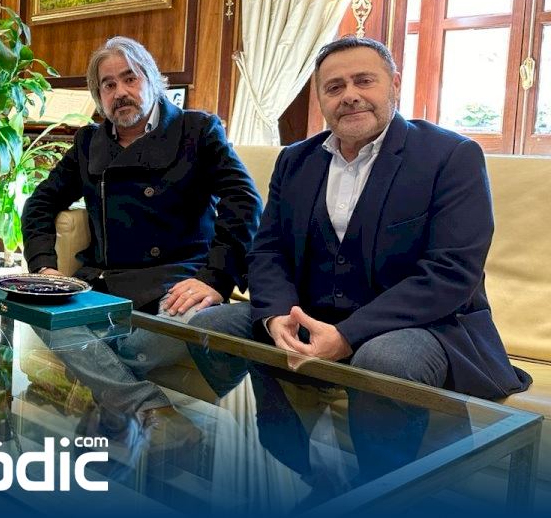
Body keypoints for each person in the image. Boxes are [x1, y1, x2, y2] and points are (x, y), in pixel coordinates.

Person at [189, 35, 532, 479]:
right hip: (311, 313)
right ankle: (293, 466)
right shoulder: (295, 160)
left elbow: (451, 272)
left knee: (384, 361)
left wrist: (347, 335)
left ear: (394, 84)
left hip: (420, 326)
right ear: (321, 99)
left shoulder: (452, 156)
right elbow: (268, 250)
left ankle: (385, 490)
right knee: (211, 326)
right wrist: (276, 317)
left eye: (364, 81)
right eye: (334, 87)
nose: (349, 95)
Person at [21, 36, 262, 455]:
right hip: (103, 286)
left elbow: (244, 200)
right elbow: (40, 203)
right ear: (99, 96)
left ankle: (110, 398)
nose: (120, 92)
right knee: (41, 310)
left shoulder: (197, 130)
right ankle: (152, 409)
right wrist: (45, 267)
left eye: (129, 78)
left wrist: (215, 278)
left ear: (151, 79)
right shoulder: (88, 143)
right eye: (108, 85)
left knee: (145, 340)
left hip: (176, 285)